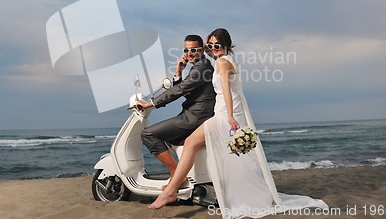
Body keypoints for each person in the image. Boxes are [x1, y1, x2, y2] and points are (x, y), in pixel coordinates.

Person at [148, 28, 328, 218]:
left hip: (225, 113)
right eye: (210, 46)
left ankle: (170, 191)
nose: (213, 48)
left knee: (192, 142)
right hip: (227, 111)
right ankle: (182, 185)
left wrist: (231, 116)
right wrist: (183, 67)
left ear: (225, 45)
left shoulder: (222, 63)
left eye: (216, 45)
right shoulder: (225, 60)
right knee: (233, 157)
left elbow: (226, 89)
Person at [136, 34, 216, 179]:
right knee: (166, 136)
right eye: (186, 51)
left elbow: (178, 91)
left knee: (148, 134)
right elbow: (185, 91)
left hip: (195, 117)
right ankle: (186, 171)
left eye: (193, 50)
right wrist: (178, 71)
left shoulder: (201, 68)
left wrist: (149, 104)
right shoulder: (199, 66)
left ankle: (176, 173)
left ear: (202, 50)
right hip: (193, 114)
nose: (189, 54)